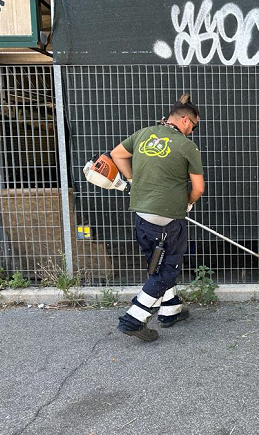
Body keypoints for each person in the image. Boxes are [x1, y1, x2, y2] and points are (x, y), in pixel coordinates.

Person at [111, 93, 205, 342]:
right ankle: (133, 319)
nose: (192, 131)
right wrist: (187, 203)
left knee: (157, 264)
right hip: (168, 219)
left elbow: (117, 154)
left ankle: (170, 310)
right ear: (185, 120)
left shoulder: (143, 134)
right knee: (167, 270)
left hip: (141, 215)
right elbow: (198, 188)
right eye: (194, 126)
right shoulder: (187, 146)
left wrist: (132, 179)